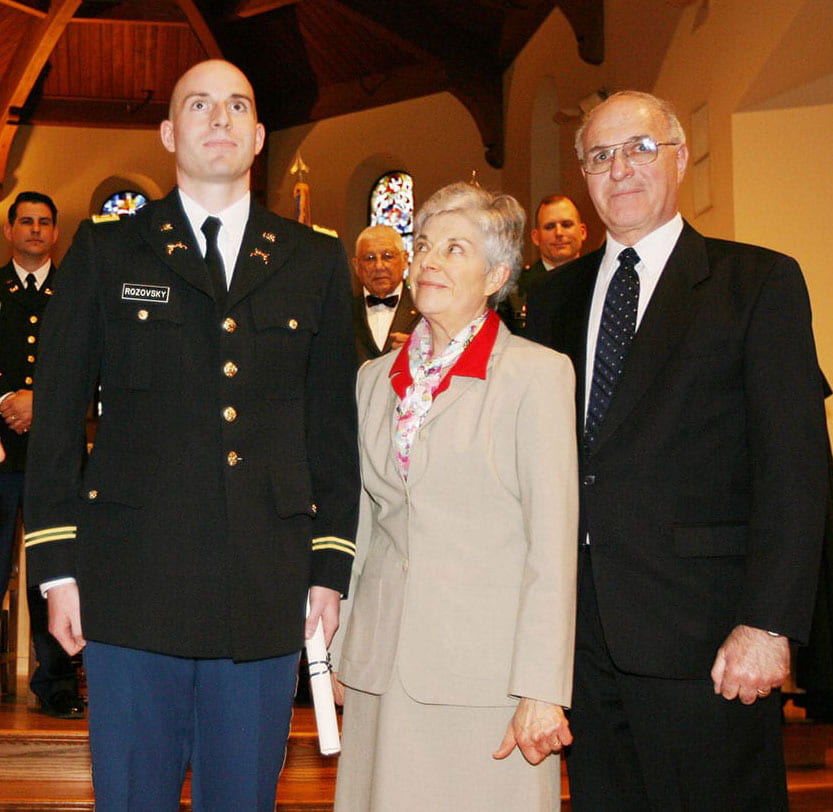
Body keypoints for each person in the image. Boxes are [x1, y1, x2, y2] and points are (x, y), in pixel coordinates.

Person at [23, 60, 359, 811]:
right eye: (199, 104)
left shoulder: (311, 260)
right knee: (132, 795)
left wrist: (329, 566)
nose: (219, 118)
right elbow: (56, 419)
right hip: (132, 579)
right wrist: (57, 569)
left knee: (242, 798)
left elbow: (334, 428)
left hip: (265, 583)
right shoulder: (109, 252)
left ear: (259, 135)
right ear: (170, 133)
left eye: (237, 104)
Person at [526, 90, 829, 810]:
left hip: (708, 634)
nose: (619, 168)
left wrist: (768, 623)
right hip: (581, 635)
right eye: (600, 155)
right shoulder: (554, 301)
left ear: (679, 158)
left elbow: (794, 469)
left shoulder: (755, 281)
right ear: (583, 175)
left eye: (639, 148)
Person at [332, 182, 578, 811]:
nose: (430, 261)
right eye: (424, 246)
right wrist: (343, 647)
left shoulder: (537, 374)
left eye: (455, 249)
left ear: (496, 273)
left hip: (487, 675)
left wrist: (542, 687)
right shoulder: (372, 380)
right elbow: (363, 523)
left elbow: (553, 545)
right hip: (381, 665)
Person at [0, 192, 83, 718]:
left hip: (59, 454)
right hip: (0, 450)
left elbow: (92, 362)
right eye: (26, 221)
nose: (35, 229)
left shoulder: (76, 291)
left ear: (55, 233)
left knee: (54, 570)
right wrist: (5, 399)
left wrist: (42, 402)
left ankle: (55, 685)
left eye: (44, 222)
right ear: (10, 230)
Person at [500, 194, 586, 333]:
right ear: (535, 237)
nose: (559, 233)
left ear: (582, 232)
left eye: (566, 224)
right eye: (549, 227)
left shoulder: (600, 281)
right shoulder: (511, 289)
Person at [352, 224, 419, 363]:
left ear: (405, 260)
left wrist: (423, 352)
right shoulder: (340, 313)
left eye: (387, 256)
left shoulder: (426, 310)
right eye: (369, 258)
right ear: (357, 266)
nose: (379, 266)